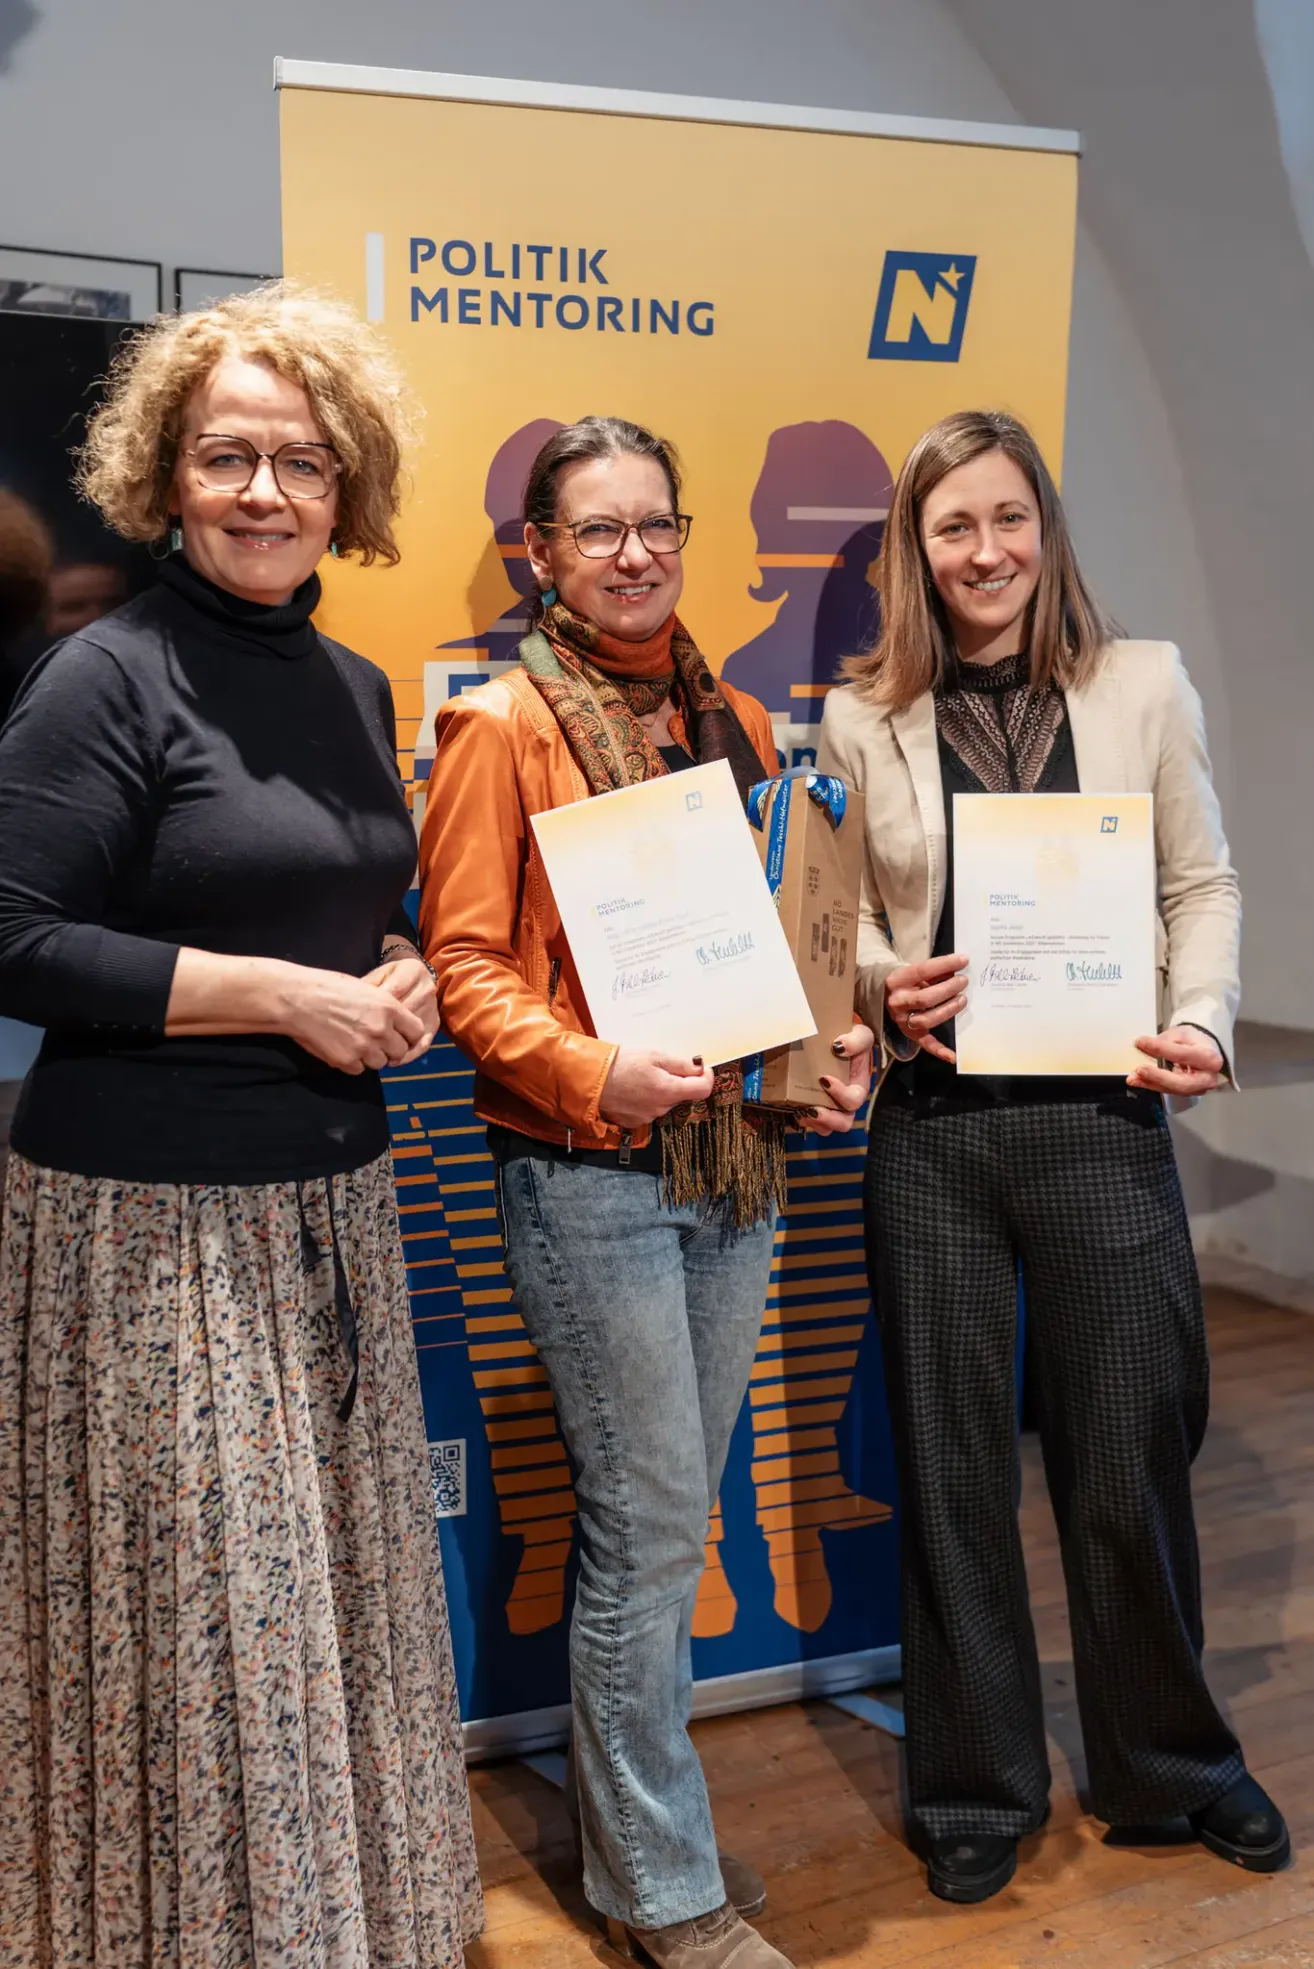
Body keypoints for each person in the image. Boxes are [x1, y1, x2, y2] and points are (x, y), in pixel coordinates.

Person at [0, 284, 483, 1966]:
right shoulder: (103, 678)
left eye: (299, 461)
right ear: (166, 476)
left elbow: (346, 901)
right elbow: (15, 935)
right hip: (149, 1231)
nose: (264, 493)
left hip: (327, 1210)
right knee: (217, 1635)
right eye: (228, 458)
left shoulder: (354, 688)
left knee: (323, 1613)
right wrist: (283, 997)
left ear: (347, 483)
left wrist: (400, 969)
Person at [818, 407, 1288, 1907]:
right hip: (936, 1133)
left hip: (1101, 1116)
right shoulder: (856, 714)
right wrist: (885, 988)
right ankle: (973, 1783)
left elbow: (1199, 881)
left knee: (1125, 1454)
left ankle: (1170, 1768)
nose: (984, 551)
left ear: (1044, 528)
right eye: (951, 527)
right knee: (950, 1469)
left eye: (1006, 518)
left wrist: (1201, 1021)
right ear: (917, 549)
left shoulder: (1139, 683)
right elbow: (847, 931)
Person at [418, 416, 873, 1969]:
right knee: (650, 1516)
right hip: (586, 1172)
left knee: (670, 1522)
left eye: (653, 527)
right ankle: (663, 1894)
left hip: (735, 1164)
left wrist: (832, 1049)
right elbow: (464, 967)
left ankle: (639, 1849)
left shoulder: (732, 711)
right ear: (541, 554)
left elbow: (775, 937)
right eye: (596, 531)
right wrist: (581, 1072)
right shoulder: (500, 728)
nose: (633, 554)